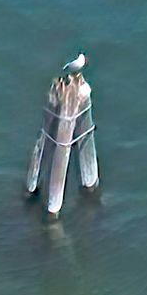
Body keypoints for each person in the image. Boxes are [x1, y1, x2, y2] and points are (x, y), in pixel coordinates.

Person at [26, 55, 97, 218]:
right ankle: (55, 205)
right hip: (65, 110)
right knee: (60, 147)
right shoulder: (75, 64)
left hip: (72, 101)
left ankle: (43, 199)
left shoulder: (78, 63)